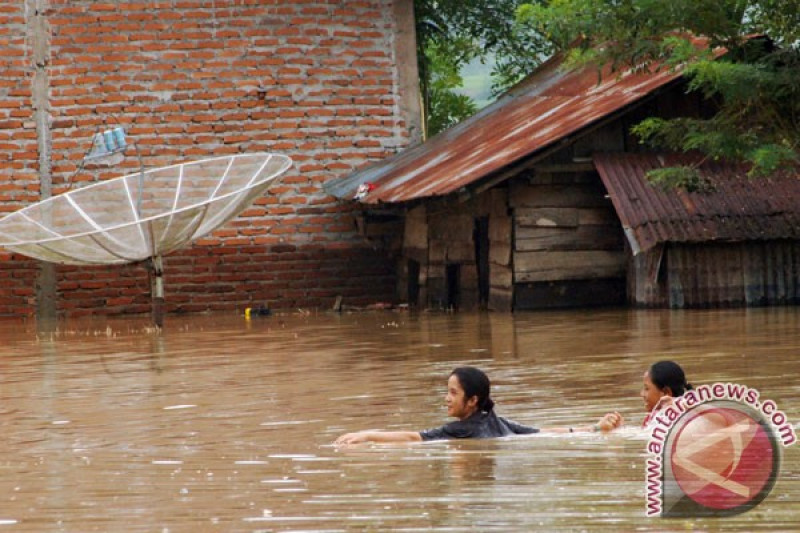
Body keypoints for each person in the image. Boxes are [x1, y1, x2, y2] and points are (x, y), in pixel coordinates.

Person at [334, 366, 623, 445]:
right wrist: (593, 428)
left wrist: (368, 435)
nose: (446, 398)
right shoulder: (497, 421)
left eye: (452, 392)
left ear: (472, 401)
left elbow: (414, 437)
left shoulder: (461, 430)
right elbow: (543, 433)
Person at [641, 360, 693, 427]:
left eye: (647, 388)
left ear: (666, 393)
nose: (642, 394)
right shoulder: (693, 413)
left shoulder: (657, 420)